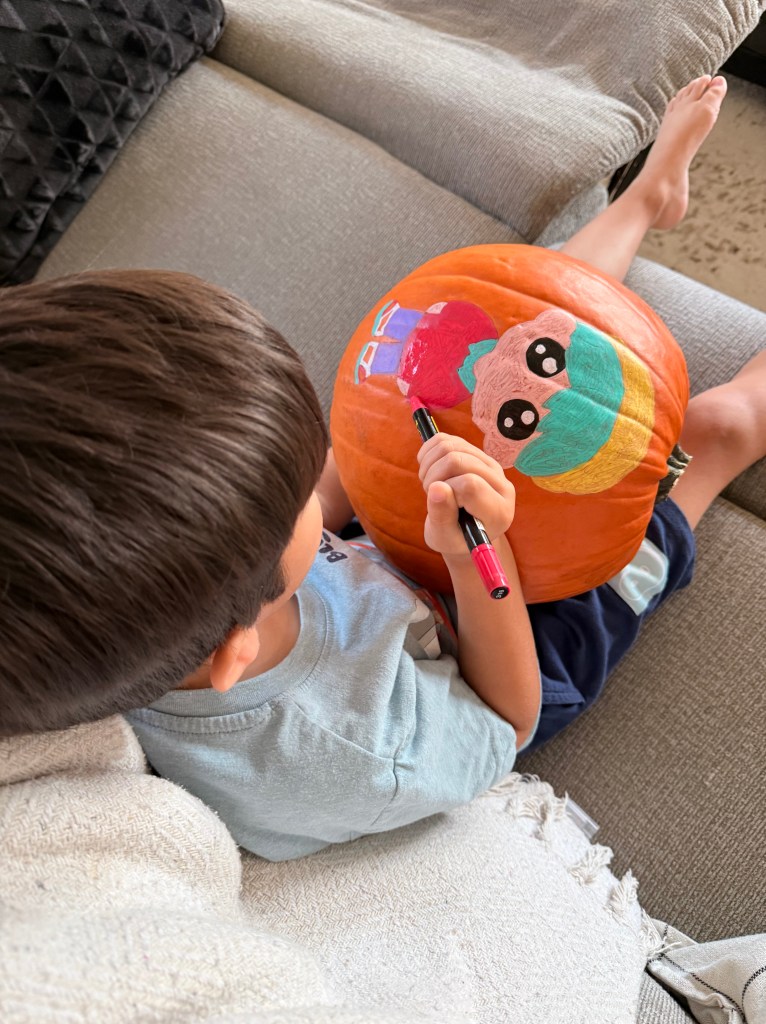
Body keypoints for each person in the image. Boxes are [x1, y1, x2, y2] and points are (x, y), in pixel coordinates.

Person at [2, 76, 762, 862]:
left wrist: (373, 451)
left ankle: (642, 202)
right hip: (505, 647)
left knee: (514, 334)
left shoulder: (131, 629)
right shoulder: (358, 754)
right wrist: (479, 561)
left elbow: (310, 513)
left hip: (363, 564)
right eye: (296, 485)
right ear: (238, 648)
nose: (315, 471)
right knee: (714, 427)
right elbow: (507, 717)